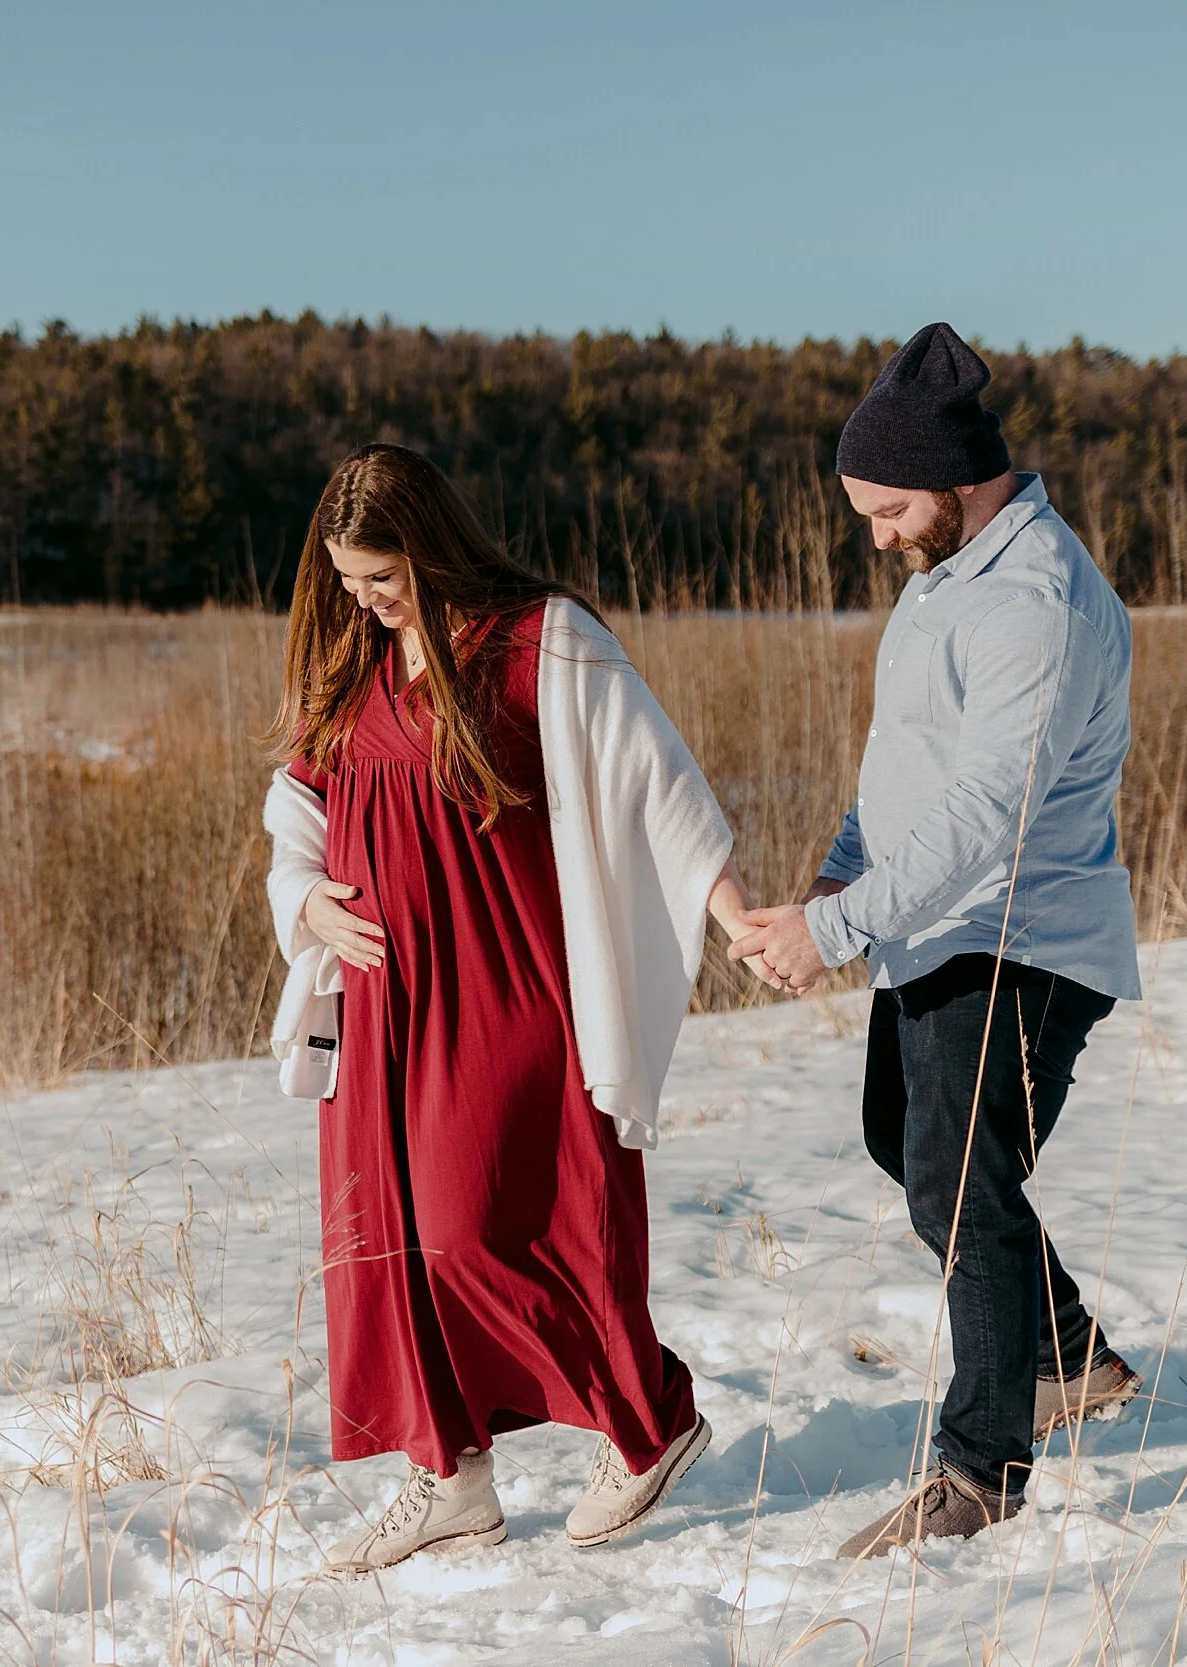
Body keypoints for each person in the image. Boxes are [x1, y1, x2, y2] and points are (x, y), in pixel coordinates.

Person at [263, 443, 761, 1575]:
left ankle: (650, 1421)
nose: (364, 600)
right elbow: (296, 806)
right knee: (389, 1244)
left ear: (432, 550)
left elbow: (658, 782)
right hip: (382, 1005)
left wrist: (734, 915)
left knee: (486, 1221)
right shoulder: (352, 662)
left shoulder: (539, 642)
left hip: (506, 987)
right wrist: (305, 898)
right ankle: (448, 1474)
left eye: (382, 578)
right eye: (348, 580)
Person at [729, 323, 1146, 1559]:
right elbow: (905, 761)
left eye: (889, 510)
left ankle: (980, 1467)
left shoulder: (1035, 602)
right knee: (907, 1145)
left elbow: (986, 812)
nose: (877, 536)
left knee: (958, 1182)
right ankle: (1063, 1355)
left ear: (957, 480)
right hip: (936, 925)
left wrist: (837, 929)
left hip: (1022, 935)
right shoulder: (945, 577)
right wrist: (838, 870)